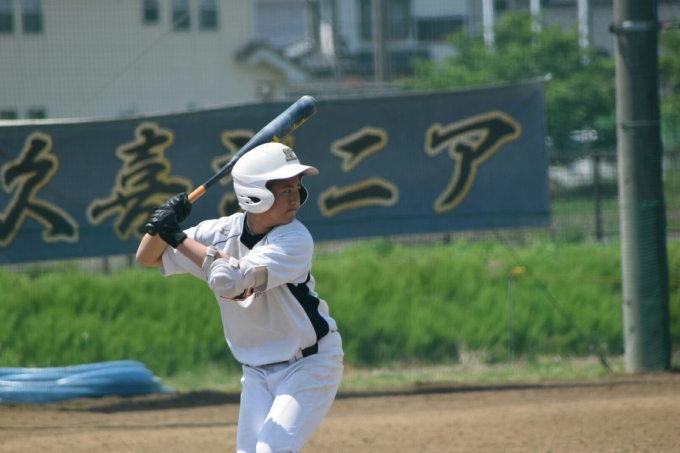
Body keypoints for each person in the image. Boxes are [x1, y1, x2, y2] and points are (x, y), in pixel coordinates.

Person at [136, 143, 344, 453]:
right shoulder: (219, 232)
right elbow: (147, 257)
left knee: (272, 449)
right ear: (255, 194)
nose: (295, 199)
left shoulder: (294, 238)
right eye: (286, 190)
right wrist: (160, 226)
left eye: (297, 189)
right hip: (256, 370)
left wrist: (176, 236)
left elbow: (231, 280)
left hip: (309, 363)